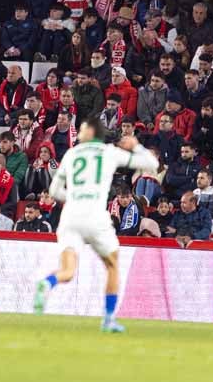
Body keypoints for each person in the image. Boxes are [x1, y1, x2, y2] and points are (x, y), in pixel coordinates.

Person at [32, 117, 157, 332]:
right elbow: (152, 165)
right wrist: (136, 146)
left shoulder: (72, 154)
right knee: (112, 265)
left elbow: (53, 192)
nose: (78, 132)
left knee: (68, 270)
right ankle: (108, 320)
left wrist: (74, 197)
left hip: (70, 216)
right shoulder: (110, 152)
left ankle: (47, 283)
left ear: (91, 131)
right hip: (95, 216)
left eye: (81, 129)